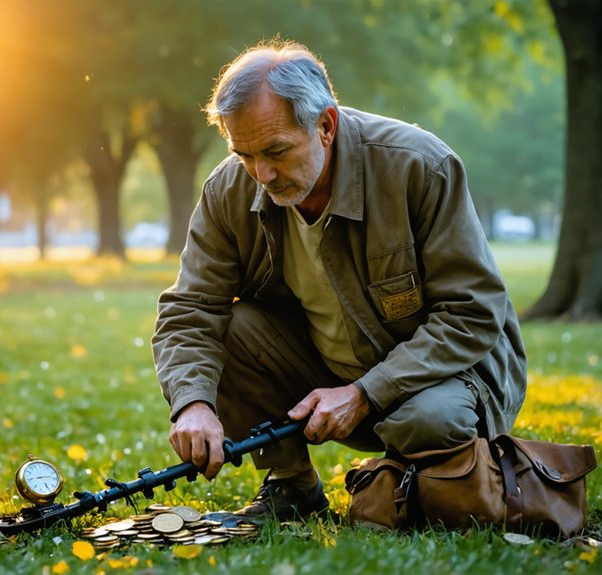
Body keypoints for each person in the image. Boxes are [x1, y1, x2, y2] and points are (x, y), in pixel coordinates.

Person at [151, 40, 527, 521]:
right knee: (230, 328)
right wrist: (193, 405)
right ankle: (291, 484)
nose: (262, 173)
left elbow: (472, 312)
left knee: (429, 421)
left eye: (276, 151)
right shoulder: (228, 190)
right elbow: (190, 310)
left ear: (325, 126)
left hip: (446, 376)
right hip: (328, 372)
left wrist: (366, 393)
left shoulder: (419, 166)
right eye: (244, 154)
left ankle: (421, 475)